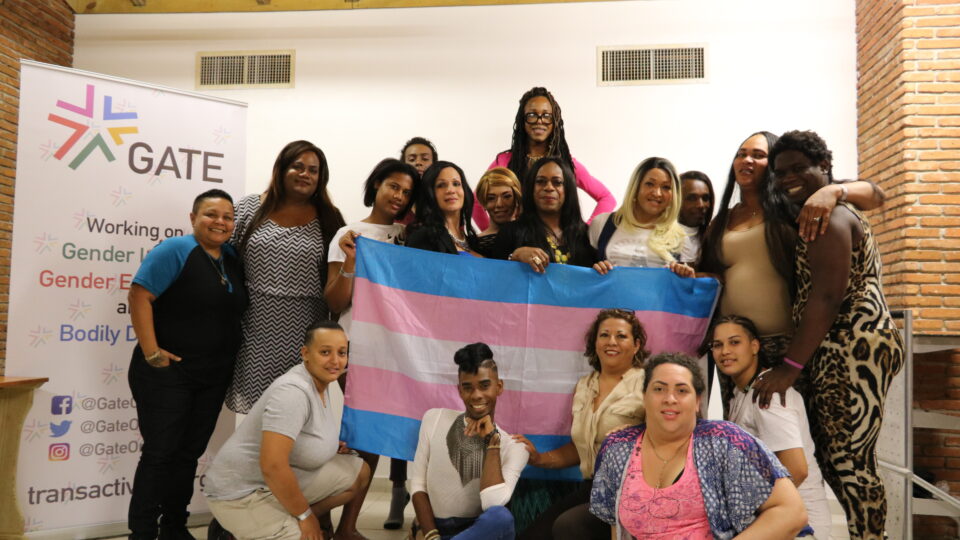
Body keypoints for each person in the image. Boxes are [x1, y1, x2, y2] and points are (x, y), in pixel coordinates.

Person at [755, 130, 904, 540]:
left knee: (851, 461)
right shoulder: (823, 208)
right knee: (842, 458)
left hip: (852, 347)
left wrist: (789, 367)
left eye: (800, 168)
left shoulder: (830, 215)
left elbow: (826, 296)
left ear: (825, 167)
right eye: (781, 171)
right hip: (841, 346)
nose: (788, 177)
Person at [697, 132, 885, 409]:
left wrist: (833, 190)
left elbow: (877, 195)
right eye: (741, 153)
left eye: (758, 155)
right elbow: (712, 277)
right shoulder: (722, 219)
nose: (746, 160)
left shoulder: (796, 208)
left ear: (773, 167)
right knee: (740, 435)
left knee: (785, 438)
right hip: (734, 346)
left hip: (784, 346)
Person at [127, 189, 249, 540]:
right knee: (161, 454)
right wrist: (152, 352)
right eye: (211, 214)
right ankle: (143, 532)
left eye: (227, 217)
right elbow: (139, 295)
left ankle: (175, 528)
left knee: (188, 455)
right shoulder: (176, 250)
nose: (220, 222)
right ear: (193, 218)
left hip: (211, 376)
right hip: (168, 375)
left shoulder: (230, 257)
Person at [590, 352, 809, 539]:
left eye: (682, 390)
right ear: (644, 397)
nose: (670, 398)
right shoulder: (618, 448)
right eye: (659, 389)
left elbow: (792, 512)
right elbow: (617, 529)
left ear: (697, 402)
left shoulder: (725, 441)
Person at [204, 321, 371, 540]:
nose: (335, 361)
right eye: (325, 352)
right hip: (240, 494)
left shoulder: (320, 381)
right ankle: (236, 527)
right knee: (307, 532)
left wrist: (328, 445)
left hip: (268, 485)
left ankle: (275, 525)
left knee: (358, 472)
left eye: (341, 353)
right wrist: (305, 516)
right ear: (305, 353)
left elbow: (303, 437)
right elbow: (272, 465)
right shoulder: (292, 392)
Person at [324, 158, 420, 532]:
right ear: (376, 185)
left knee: (376, 439)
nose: (399, 196)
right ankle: (331, 524)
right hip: (358, 351)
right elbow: (334, 302)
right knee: (355, 438)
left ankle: (347, 526)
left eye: (408, 192)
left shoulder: (410, 236)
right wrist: (351, 259)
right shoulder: (349, 233)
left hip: (402, 353)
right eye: (393, 186)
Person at [226, 140, 346, 414]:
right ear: (281, 169)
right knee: (256, 419)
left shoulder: (330, 219)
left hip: (307, 333)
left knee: (297, 412)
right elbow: (223, 262)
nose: (305, 174)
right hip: (254, 330)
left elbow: (338, 277)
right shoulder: (247, 208)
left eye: (313, 170)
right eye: (298, 166)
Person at [513, 309, 648, 540]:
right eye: (604, 335)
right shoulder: (584, 386)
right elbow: (581, 448)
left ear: (636, 345)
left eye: (621, 336)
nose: (611, 342)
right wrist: (538, 458)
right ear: (594, 342)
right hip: (591, 487)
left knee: (568, 527)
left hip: (630, 491)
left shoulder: (649, 383)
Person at [711, 315, 832, 539]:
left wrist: (745, 507)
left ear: (755, 346)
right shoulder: (741, 393)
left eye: (735, 342)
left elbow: (797, 470)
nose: (725, 351)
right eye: (718, 345)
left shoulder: (768, 395)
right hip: (774, 520)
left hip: (800, 528)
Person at [410, 343, 528, 540]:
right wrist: (431, 536)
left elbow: (492, 502)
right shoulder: (434, 419)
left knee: (501, 518)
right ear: (459, 390)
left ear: (499, 387)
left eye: (484, 386)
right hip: (436, 532)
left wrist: (492, 442)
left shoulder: (515, 446)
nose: (476, 395)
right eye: (467, 388)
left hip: (479, 533)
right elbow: (418, 486)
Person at [474, 87, 614, 229]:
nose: (539, 121)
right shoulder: (505, 161)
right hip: (519, 244)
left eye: (546, 116)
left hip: (559, 245)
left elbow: (606, 198)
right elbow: (476, 200)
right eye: (532, 115)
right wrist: (493, 233)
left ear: (555, 122)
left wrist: (586, 231)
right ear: (522, 120)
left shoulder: (566, 164)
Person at [589, 157, 696, 278]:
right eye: (649, 184)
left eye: (666, 187)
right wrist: (594, 270)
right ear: (636, 187)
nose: (657, 193)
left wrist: (686, 276)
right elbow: (584, 276)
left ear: (674, 194)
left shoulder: (681, 237)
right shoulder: (602, 223)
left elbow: (684, 288)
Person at [492, 157, 597, 270]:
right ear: (531, 188)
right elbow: (494, 277)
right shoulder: (511, 232)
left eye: (557, 182)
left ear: (568, 189)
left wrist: (601, 270)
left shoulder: (586, 235)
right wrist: (515, 256)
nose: (548, 187)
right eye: (540, 181)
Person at [406, 161, 481, 257]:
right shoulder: (423, 237)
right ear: (430, 194)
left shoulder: (473, 241)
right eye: (441, 185)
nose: (451, 190)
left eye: (456, 183)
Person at [473, 167, 521, 257]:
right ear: (483, 202)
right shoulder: (472, 243)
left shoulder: (534, 234)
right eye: (491, 198)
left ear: (517, 197)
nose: (499, 204)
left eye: (506, 196)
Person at [678, 170, 714, 262]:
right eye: (692, 198)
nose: (701, 205)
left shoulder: (713, 239)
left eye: (705, 198)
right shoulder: (660, 237)